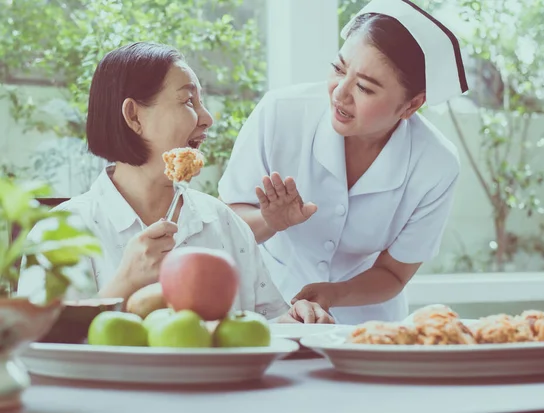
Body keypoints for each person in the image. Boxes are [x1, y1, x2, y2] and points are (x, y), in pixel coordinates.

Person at [17, 42, 333, 324]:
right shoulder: (60, 232)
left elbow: (263, 325)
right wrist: (125, 282)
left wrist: (297, 320)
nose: (207, 117)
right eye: (187, 101)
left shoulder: (222, 223)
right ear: (134, 116)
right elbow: (36, 342)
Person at [217, 0, 469, 325]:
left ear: (412, 105)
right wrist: (270, 220)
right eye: (338, 69)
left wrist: (333, 294)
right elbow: (225, 229)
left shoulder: (435, 164)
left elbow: (393, 272)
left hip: (368, 326)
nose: (340, 93)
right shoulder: (280, 113)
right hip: (268, 314)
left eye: (364, 87)